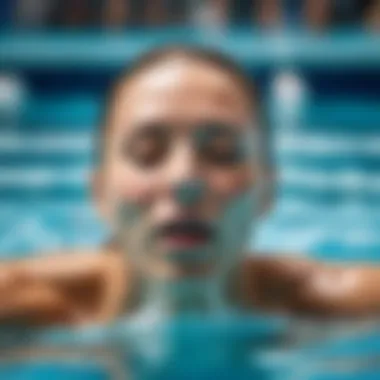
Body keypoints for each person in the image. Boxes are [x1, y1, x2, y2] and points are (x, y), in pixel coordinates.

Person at [1, 46, 380, 327]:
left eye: (221, 152)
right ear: (99, 194)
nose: (185, 181)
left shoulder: (341, 305)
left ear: (268, 191)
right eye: (147, 153)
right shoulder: (23, 305)